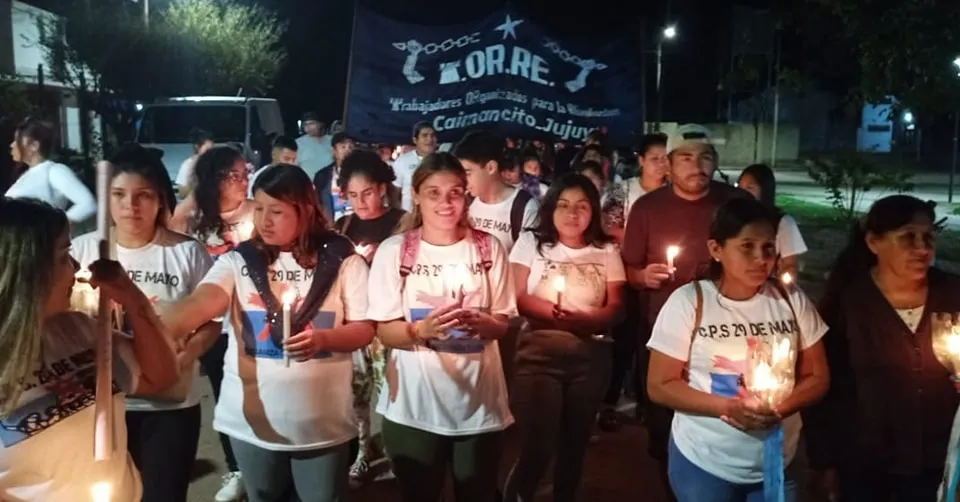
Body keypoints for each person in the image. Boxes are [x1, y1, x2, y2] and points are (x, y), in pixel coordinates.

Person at [163, 164, 374, 502]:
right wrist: (159, 329)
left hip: (320, 423)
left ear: (305, 211)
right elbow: (203, 302)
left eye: (276, 211)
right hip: (250, 424)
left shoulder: (343, 259)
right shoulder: (240, 261)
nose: (264, 220)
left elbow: (364, 328)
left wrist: (325, 339)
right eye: (258, 208)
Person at [647, 197, 829, 501]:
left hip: (778, 462)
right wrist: (727, 408)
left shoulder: (790, 300)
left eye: (768, 248)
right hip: (705, 462)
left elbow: (819, 376)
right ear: (716, 249)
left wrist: (778, 409)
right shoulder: (689, 302)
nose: (761, 258)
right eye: (747, 246)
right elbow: (660, 385)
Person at [0, 197, 180, 501]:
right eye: (62, 256)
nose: (75, 267)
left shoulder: (78, 329)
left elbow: (159, 377)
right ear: (25, 269)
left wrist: (134, 301)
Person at [71, 144, 219, 502]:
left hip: (168, 407)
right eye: (119, 195)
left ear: (160, 200)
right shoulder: (81, 252)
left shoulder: (187, 253)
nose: (130, 206)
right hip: (101, 406)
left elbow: (213, 322)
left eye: (143, 196)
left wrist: (189, 353)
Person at [367, 152, 516, 502]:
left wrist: (484, 323)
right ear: (416, 195)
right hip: (413, 409)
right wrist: (420, 331)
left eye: (454, 192)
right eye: (433, 193)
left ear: (467, 194)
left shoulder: (488, 249)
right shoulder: (395, 251)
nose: (446, 202)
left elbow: (503, 324)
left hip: (479, 407)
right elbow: (384, 331)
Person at [804, 195, 960, 501]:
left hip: (941, 459)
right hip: (867, 464)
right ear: (874, 242)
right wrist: (824, 461)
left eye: (928, 237)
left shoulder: (953, 294)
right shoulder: (848, 302)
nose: (922, 248)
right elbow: (827, 387)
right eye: (907, 238)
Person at [621, 124, 747, 496]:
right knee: (663, 423)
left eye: (705, 157)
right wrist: (643, 276)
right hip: (665, 337)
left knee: (727, 414)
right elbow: (626, 269)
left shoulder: (735, 206)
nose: (697, 166)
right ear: (670, 165)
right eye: (687, 158)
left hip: (728, 337)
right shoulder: (647, 208)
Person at [503, 174, 625, 502]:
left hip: (590, 358)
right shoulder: (531, 243)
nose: (573, 213)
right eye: (564, 205)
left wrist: (585, 320)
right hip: (538, 354)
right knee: (537, 448)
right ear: (550, 209)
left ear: (593, 212)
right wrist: (552, 313)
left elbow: (615, 306)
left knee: (574, 446)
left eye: (582, 206)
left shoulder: (607, 250)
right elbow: (517, 296)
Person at [169, 145, 256, 502]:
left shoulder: (256, 211)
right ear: (215, 178)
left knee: (258, 392)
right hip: (213, 326)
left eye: (244, 173)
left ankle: (264, 462)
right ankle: (236, 468)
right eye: (234, 175)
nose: (242, 181)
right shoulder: (191, 217)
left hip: (253, 321)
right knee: (225, 397)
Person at [332, 149, 405, 487]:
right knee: (355, 394)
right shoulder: (342, 226)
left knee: (392, 392)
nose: (361, 201)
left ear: (381, 189)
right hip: (356, 325)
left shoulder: (403, 224)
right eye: (352, 195)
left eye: (367, 193)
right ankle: (362, 451)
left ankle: (396, 451)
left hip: (390, 324)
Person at [599, 133, 669, 429]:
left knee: (653, 343)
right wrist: (637, 239)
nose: (661, 165)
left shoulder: (673, 195)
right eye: (654, 159)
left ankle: (647, 402)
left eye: (666, 159)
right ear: (641, 160)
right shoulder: (623, 192)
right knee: (623, 342)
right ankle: (608, 402)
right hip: (624, 276)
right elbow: (607, 226)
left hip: (661, 280)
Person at [4, 118, 96, 223]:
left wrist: (55, 228)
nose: (12, 145)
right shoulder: (26, 175)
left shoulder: (54, 171)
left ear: (34, 145)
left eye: (17, 140)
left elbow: (88, 204)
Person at [737, 164, 807, 279]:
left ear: (765, 190)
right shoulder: (733, 219)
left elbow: (790, 265)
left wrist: (784, 277)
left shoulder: (783, 223)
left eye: (750, 188)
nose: (743, 193)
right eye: (740, 188)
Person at [393, 122, 438, 211]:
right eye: (425, 135)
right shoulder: (403, 161)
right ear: (415, 140)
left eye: (432, 135)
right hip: (409, 215)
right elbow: (394, 191)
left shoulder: (443, 161)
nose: (429, 139)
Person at [313, 132, 356, 222]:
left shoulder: (362, 173)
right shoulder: (322, 175)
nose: (347, 150)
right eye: (343, 147)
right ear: (334, 150)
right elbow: (319, 203)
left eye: (351, 147)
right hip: (334, 225)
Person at [174, 128, 215, 198]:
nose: (210, 153)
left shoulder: (215, 164)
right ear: (197, 147)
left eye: (212, 150)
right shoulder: (187, 165)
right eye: (207, 149)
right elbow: (182, 193)